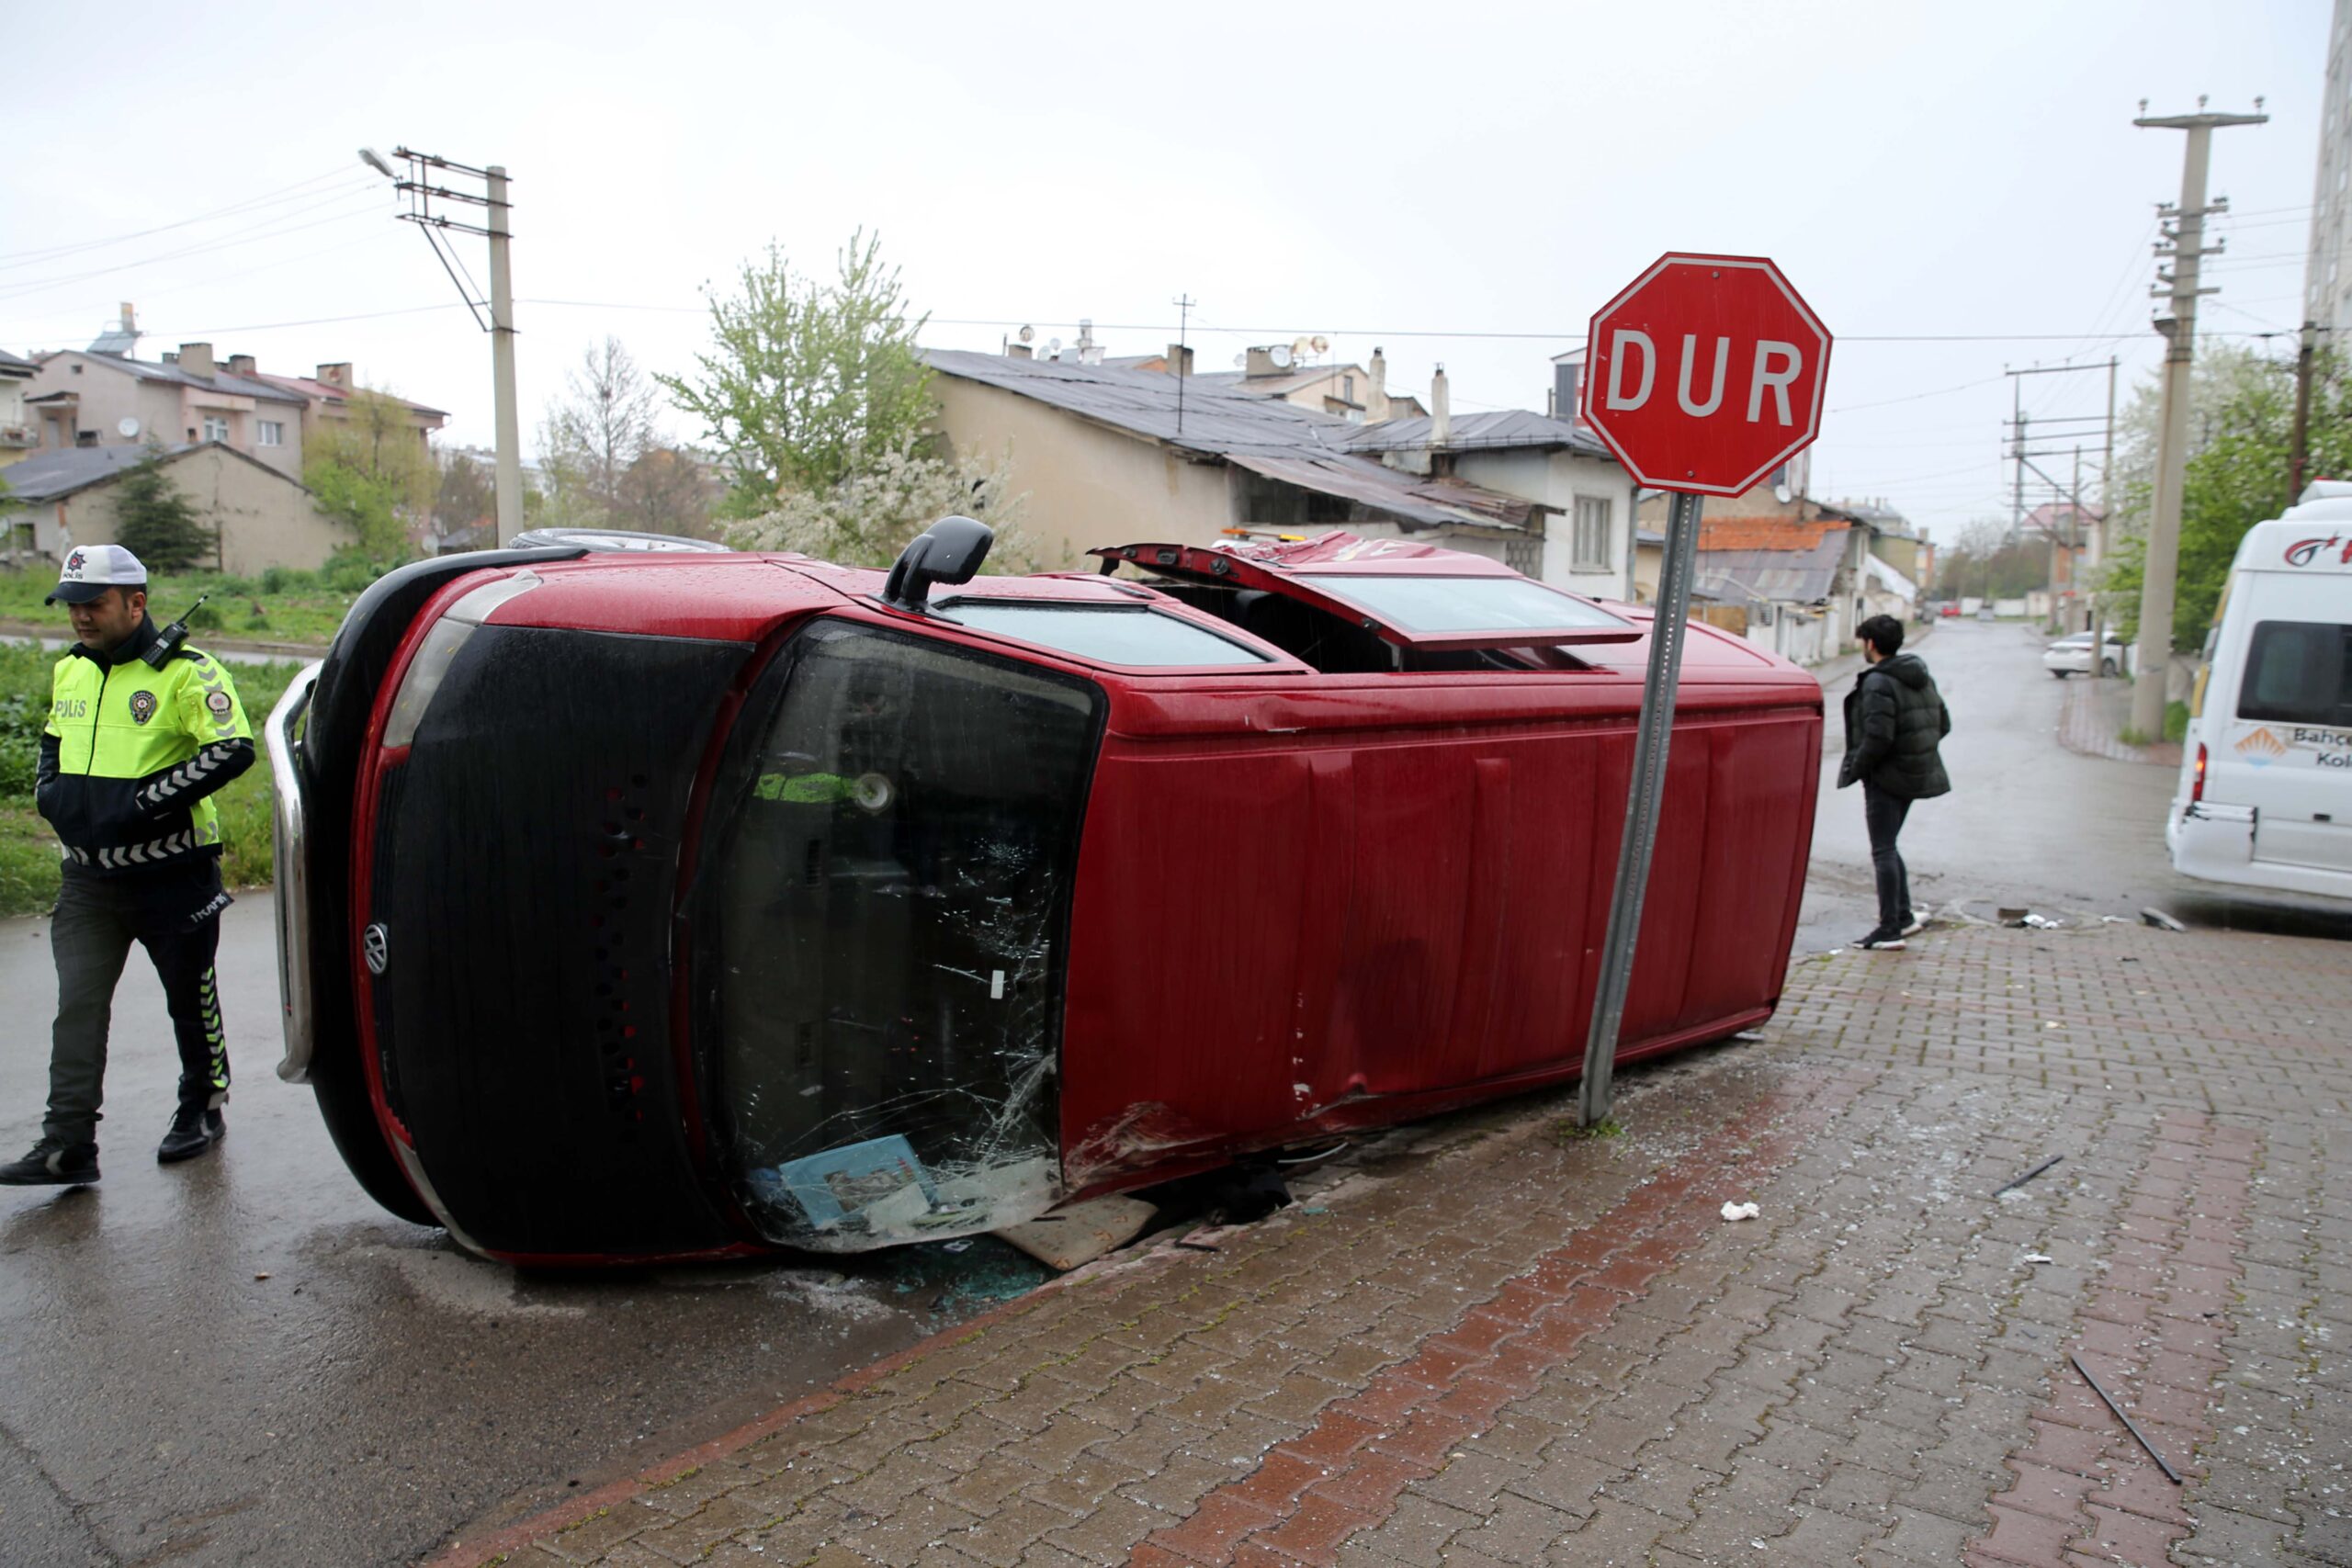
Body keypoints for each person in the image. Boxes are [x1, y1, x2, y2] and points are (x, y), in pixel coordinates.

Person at [0, 546, 254, 1185]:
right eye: (72, 605)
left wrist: (145, 802)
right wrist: (47, 791)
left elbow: (232, 748)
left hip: (172, 873)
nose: (80, 617)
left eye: (94, 604)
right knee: (77, 1005)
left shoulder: (186, 673)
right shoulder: (71, 671)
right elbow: (52, 743)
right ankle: (68, 1142)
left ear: (135, 603)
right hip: (87, 878)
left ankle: (202, 1105)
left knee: (189, 998)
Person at [1836, 614, 1951, 953]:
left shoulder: (1878, 682)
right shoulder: (1919, 675)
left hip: (1886, 778)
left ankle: (1888, 930)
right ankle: (1902, 916)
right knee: (1890, 845)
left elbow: (1877, 737)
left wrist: (1857, 768)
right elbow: (1942, 723)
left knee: (1883, 849)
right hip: (1914, 774)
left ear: (1870, 644)